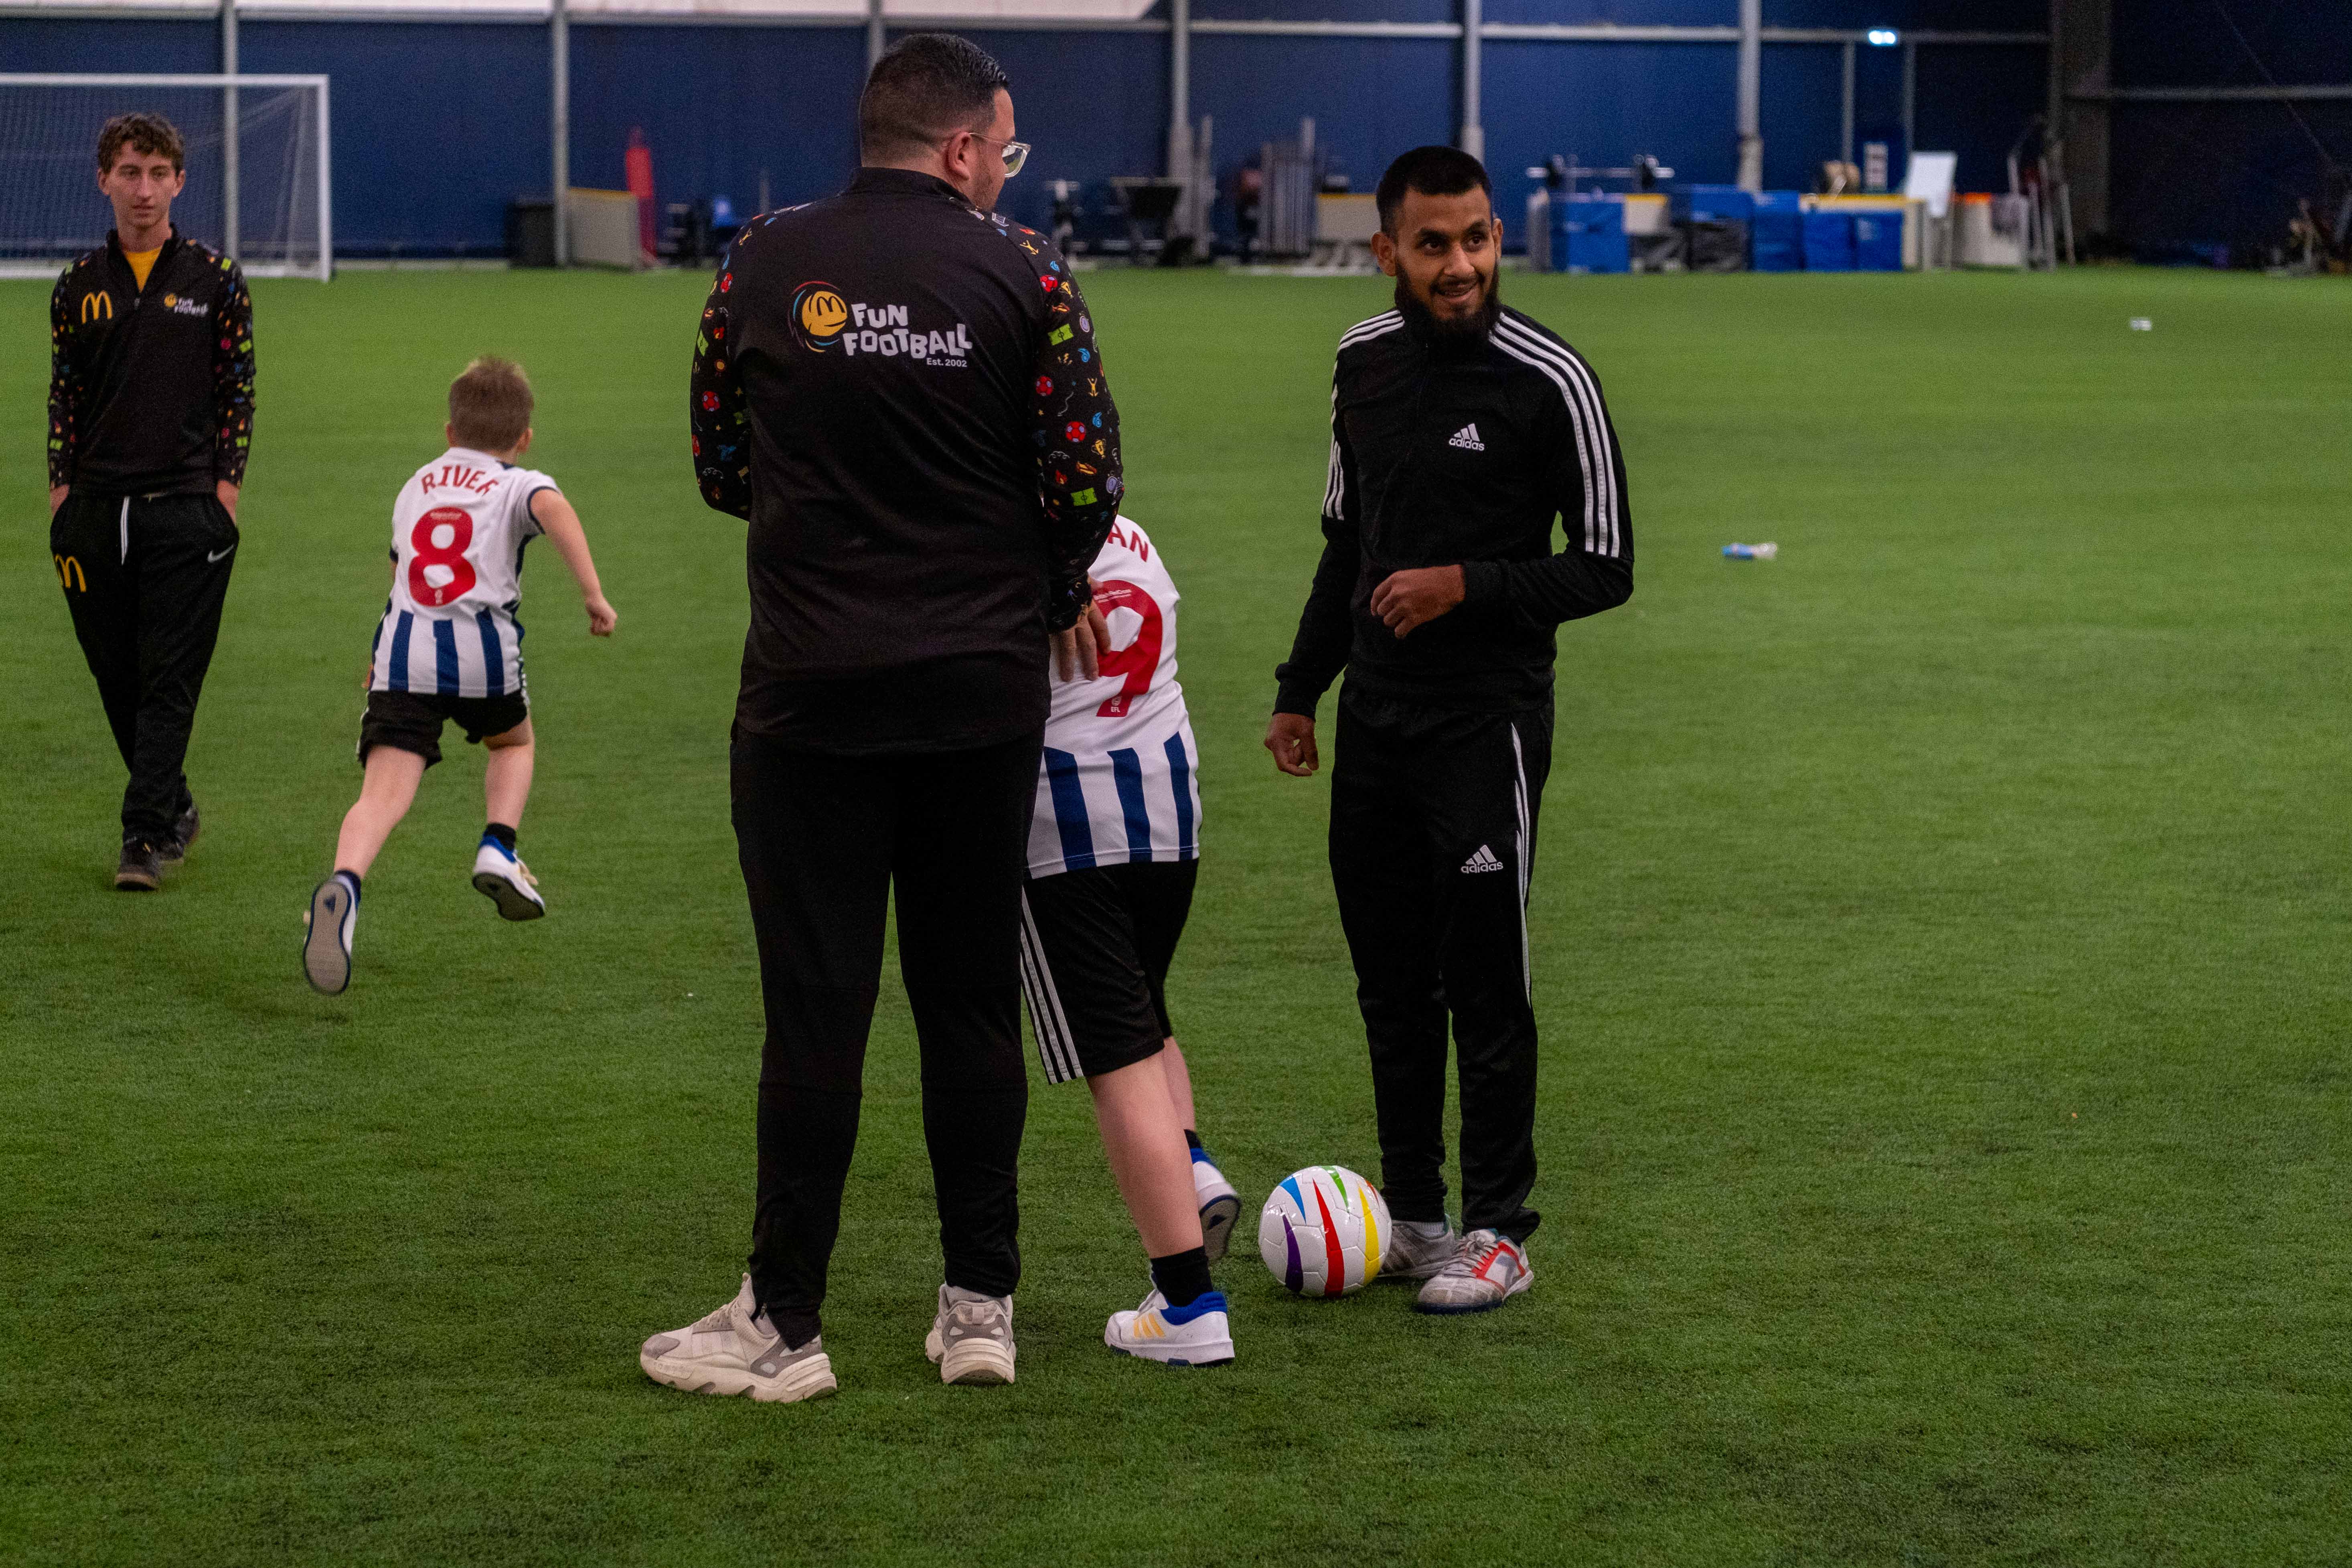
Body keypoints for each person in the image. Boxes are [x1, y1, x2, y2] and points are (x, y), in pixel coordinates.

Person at [643, 32, 1121, 1405]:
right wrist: (1017, 580)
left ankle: (782, 1326)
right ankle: (981, 1306)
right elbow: (1084, 483)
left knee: (815, 1011)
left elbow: (719, 465)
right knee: (967, 1002)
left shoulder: (757, 262)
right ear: (964, 149)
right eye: (1005, 150)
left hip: (807, 694)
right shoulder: (1027, 271)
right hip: (977, 693)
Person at [1264, 146, 1633, 1315]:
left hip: (1488, 726)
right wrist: (1297, 687)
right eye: (1434, 244)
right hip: (1374, 720)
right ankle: (1416, 1218)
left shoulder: (1551, 379)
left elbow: (1609, 566)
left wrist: (1465, 585)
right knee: (1390, 981)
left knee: (1484, 979)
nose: (1462, 263)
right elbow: (1345, 540)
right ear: (1387, 252)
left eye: (1477, 238)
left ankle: (1501, 1228)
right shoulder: (1361, 363)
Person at [299, 357, 616, 996]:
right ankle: (499, 844)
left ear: (450, 431)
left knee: (381, 793)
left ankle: (346, 883)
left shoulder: (418, 481)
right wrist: (592, 593)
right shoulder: (518, 481)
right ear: (523, 437)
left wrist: (376, 650)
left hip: (403, 652)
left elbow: (401, 572)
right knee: (513, 742)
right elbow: (552, 508)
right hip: (483, 653)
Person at [1017, 514, 1239, 1367]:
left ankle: (1186, 1303)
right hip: (1168, 807)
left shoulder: (1013, 542)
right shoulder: (1131, 534)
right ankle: (1191, 1163)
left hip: (1068, 821)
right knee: (1143, 1008)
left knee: (1114, 1057)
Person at [47, 112, 254, 891]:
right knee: (117, 676)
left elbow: (239, 389)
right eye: (130, 172)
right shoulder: (77, 287)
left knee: (168, 674)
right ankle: (172, 802)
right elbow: (64, 394)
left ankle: (144, 836)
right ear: (105, 179)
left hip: (187, 511)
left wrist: (225, 490)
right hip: (93, 514)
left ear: (179, 182)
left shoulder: (215, 279)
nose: (144, 189)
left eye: (158, 173)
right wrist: (62, 490)